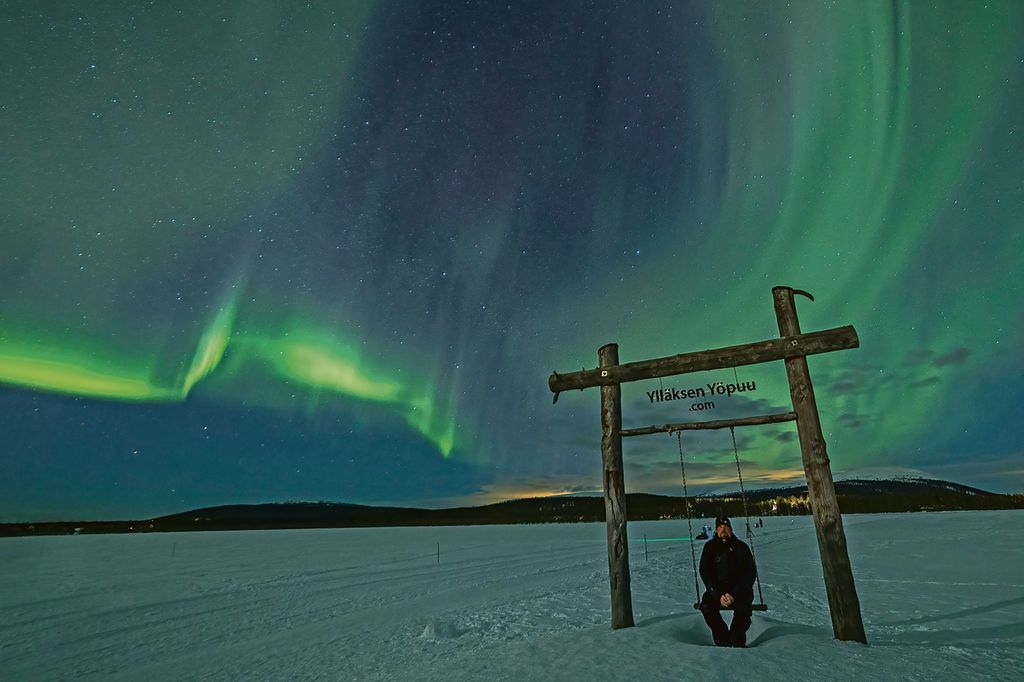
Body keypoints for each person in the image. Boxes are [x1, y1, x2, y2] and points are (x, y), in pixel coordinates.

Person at [698, 516, 756, 647]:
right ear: (716, 530)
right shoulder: (710, 548)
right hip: (717, 590)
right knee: (706, 606)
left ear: (731, 529)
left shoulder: (741, 548)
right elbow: (705, 572)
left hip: (740, 590)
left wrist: (734, 594)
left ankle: (737, 640)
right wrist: (717, 594)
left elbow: (749, 573)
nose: (723, 530)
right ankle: (722, 639)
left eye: (726, 527)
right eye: (720, 527)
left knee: (743, 609)